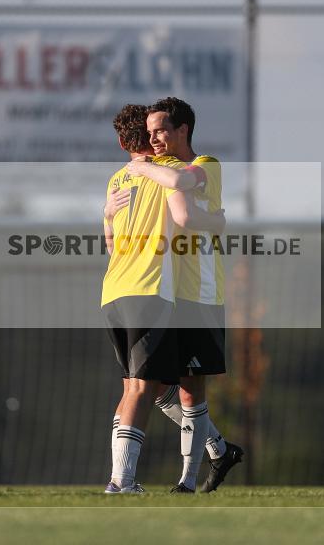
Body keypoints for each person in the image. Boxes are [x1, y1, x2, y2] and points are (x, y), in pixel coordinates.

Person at [101, 104, 225, 494]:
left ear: (121, 142)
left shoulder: (116, 179)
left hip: (114, 289)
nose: (157, 138)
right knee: (145, 388)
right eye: (152, 131)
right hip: (151, 288)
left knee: (137, 387)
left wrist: (109, 209)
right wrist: (219, 221)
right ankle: (121, 481)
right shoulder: (166, 170)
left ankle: (191, 467)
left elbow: (109, 242)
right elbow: (184, 213)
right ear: (147, 135)